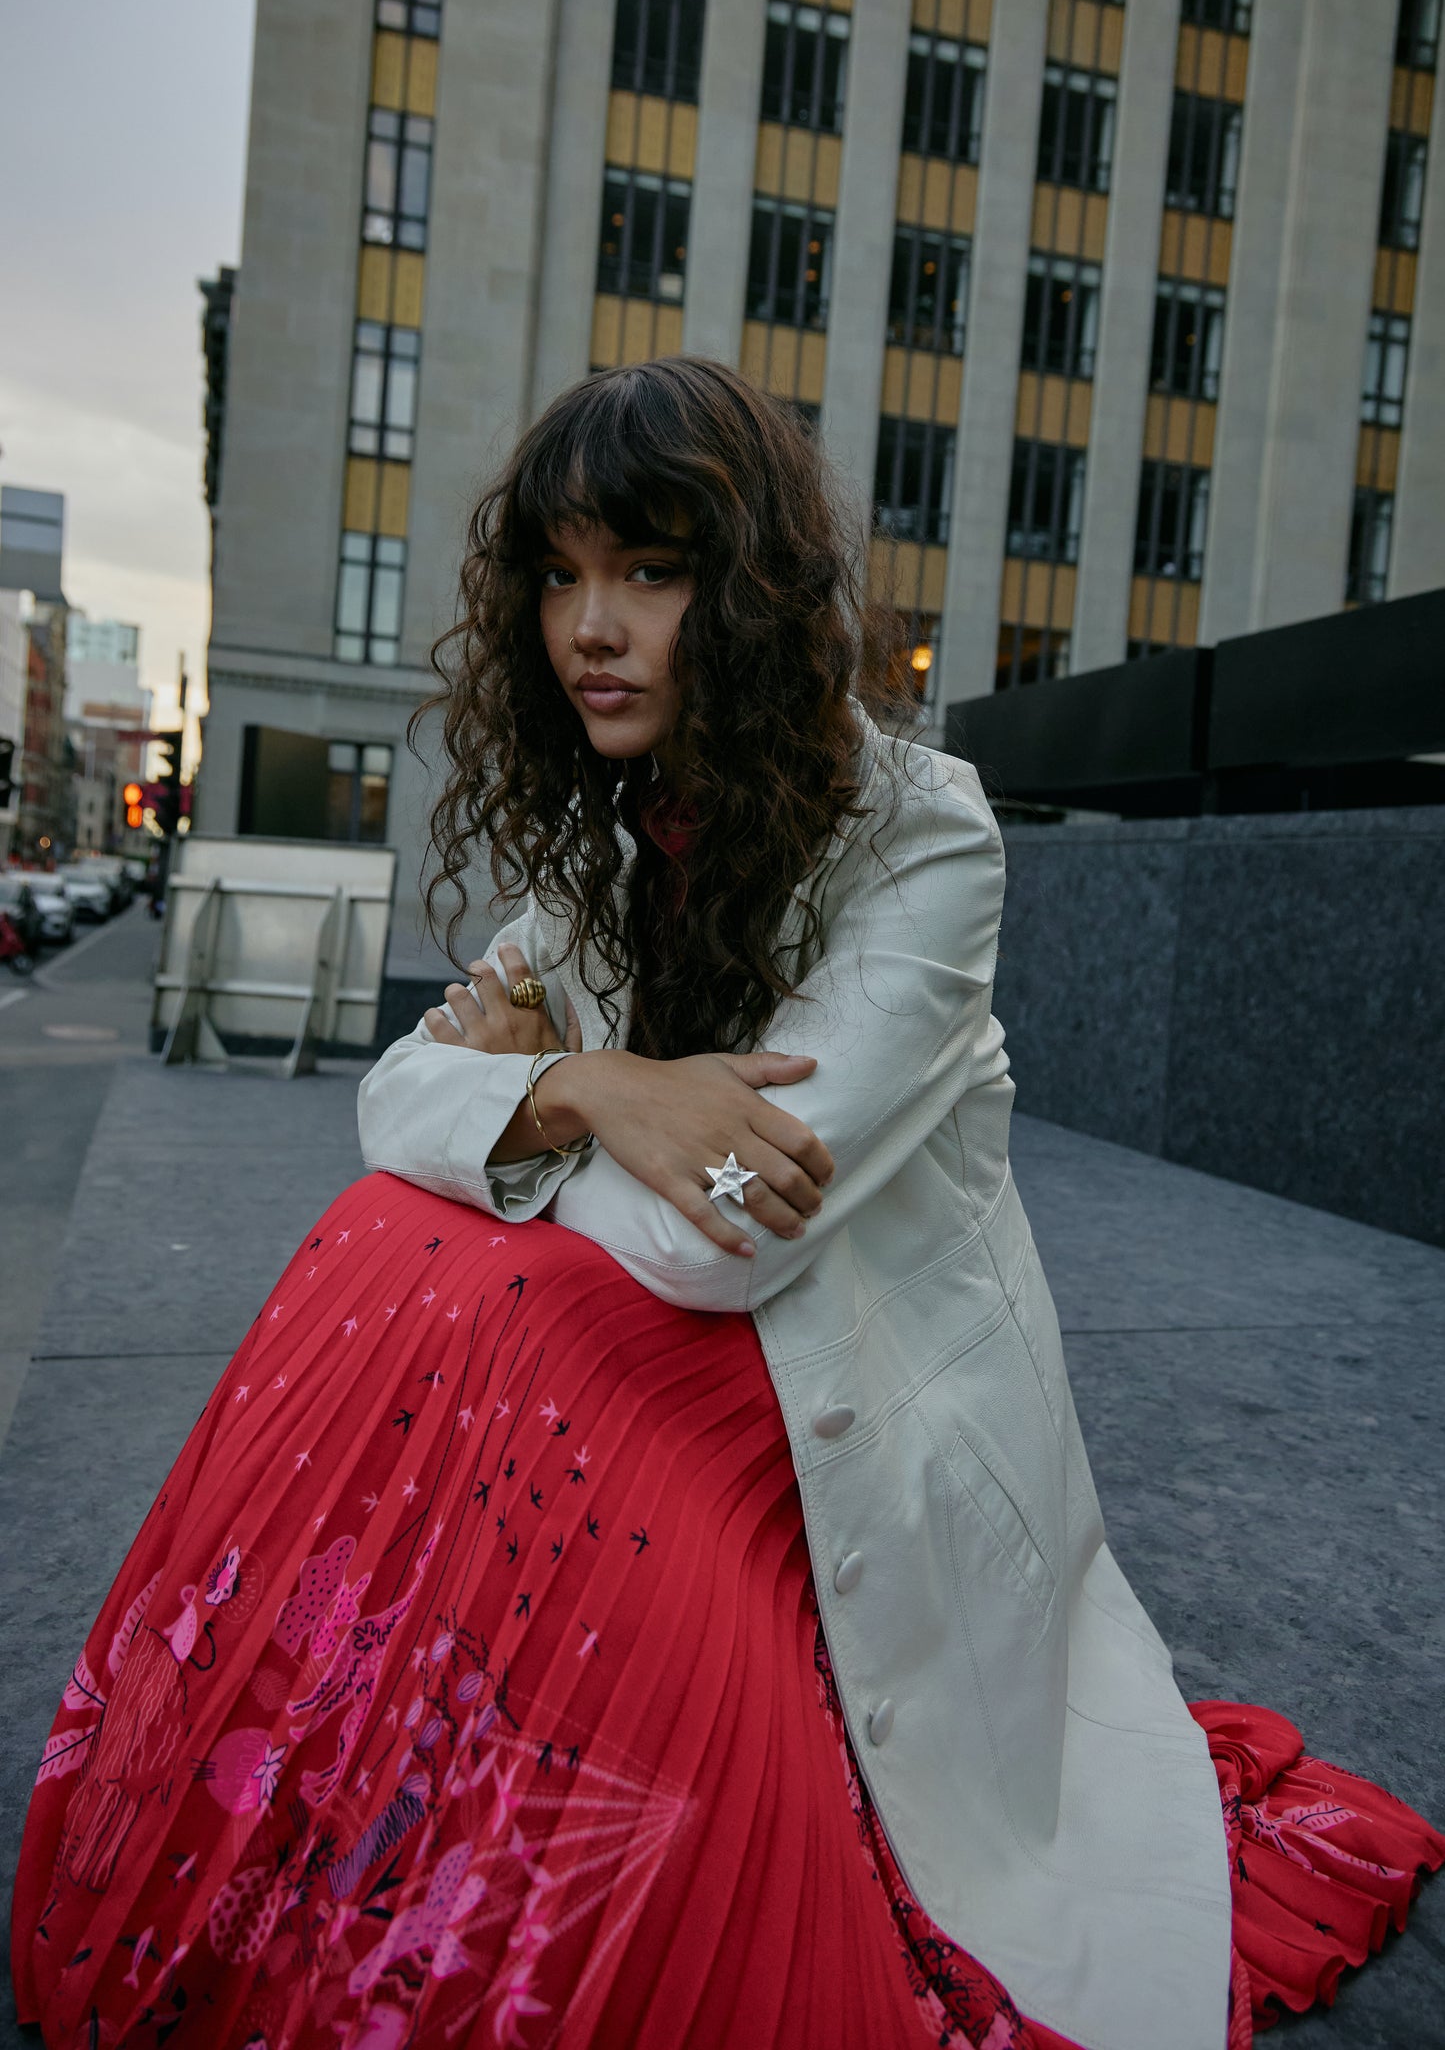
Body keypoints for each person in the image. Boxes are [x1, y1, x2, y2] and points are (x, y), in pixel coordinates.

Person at [11, 360, 1440, 2050]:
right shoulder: (605, 840)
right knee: (389, 1245)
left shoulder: (923, 834)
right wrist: (590, 1085)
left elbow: (720, 1232)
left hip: (838, 1370)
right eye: (558, 575)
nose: (590, 628)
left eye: (650, 571)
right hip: (646, 1349)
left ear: (748, 590)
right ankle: (318, 1825)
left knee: (475, 1284)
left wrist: (529, 1117)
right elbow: (394, 1099)